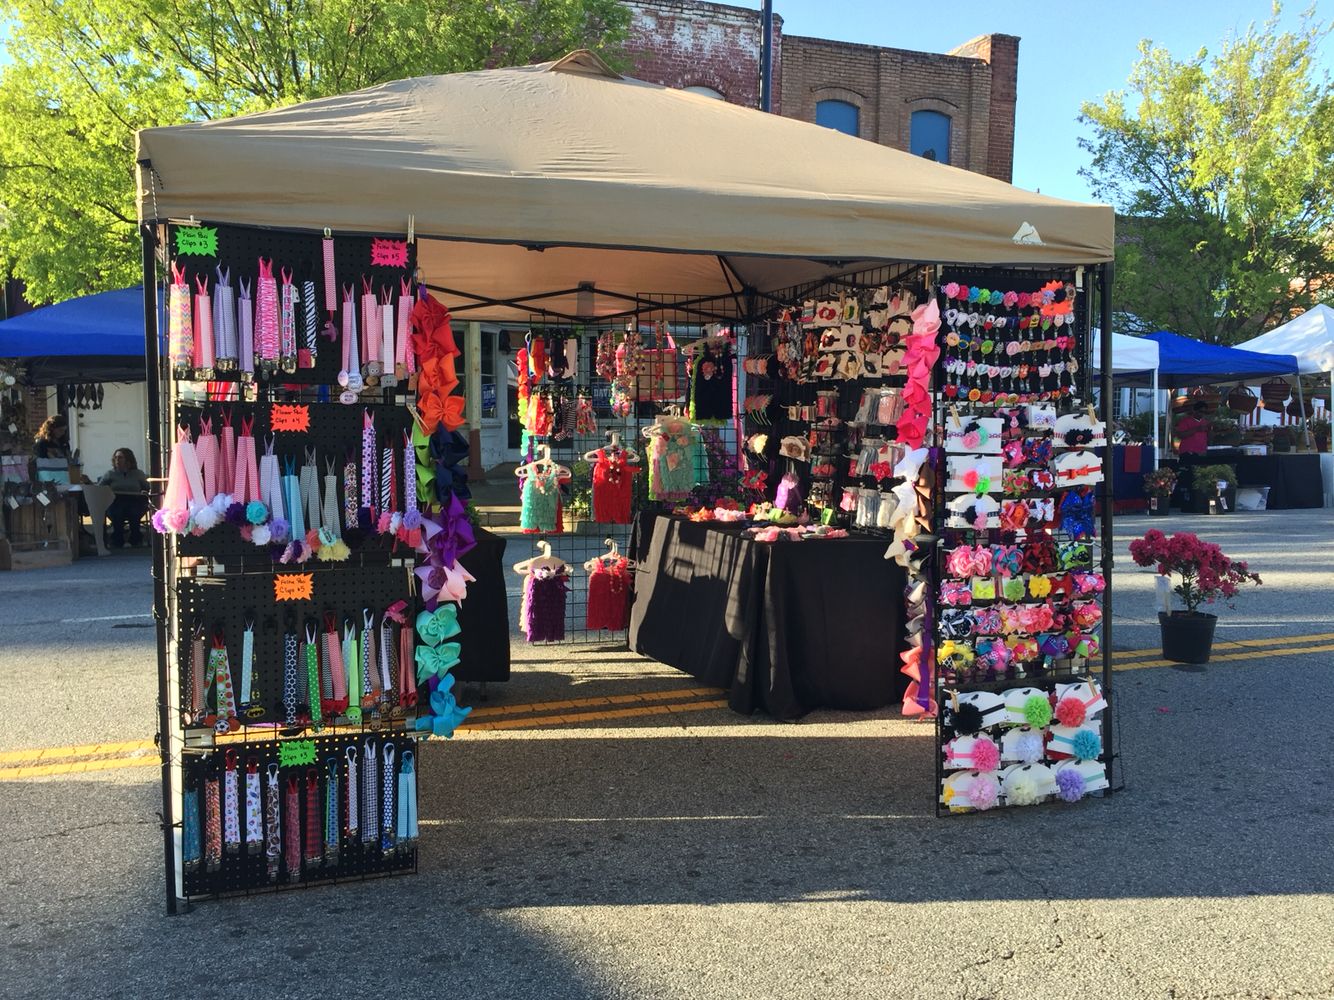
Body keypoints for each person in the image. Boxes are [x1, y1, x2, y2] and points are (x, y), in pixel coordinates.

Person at [98, 448, 150, 547]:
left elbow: (147, 488)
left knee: (134, 512)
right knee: (117, 512)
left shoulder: (138, 474)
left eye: (120, 457)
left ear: (128, 459)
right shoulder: (110, 474)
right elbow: (99, 488)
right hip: (115, 501)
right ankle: (117, 539)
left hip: (134, 500)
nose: (117, 460)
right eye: (116, 458)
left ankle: (135, 538)